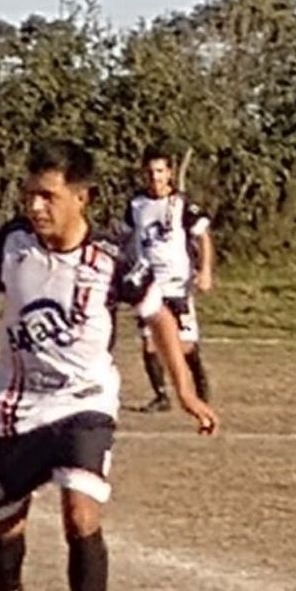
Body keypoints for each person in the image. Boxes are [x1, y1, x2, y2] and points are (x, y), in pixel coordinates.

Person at [0, 140, 219, 591]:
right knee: (3, 525)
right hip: (15, 405)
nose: (36, 206)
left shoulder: (114, 255)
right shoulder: (11, 244)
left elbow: (156, 315)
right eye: (30, 194)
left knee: (79, 513)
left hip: (86, 402)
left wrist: (184, 389)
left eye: (49, 196)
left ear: (80, 198)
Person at [124, 146, 214, 411]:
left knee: (185, 345)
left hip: (177, 282)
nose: (155, 177)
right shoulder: (136, 204)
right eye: (150, 172)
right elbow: (125, 237)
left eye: (160, 171)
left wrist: (205, 269)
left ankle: (200, 391)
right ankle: (161, 396)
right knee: (150, 341)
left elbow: (203, 236)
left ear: (170, 173)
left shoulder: (181, 204)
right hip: (148, 282)